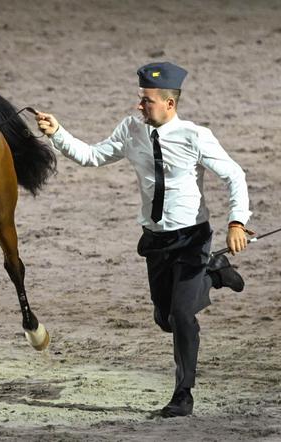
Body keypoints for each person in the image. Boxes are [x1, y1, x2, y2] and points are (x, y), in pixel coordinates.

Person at [35, 61, 253, 418]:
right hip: (155, 241)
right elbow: (92, 156)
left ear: (170, 103)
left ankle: (183, 393)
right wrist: (57, 132)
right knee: (165, 319)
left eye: (147, 100)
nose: (139, 105)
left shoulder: (196, 136)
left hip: (191, 239)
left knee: (183, 316)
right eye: (140, 99)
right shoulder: (131, 130)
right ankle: (215, 274)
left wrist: (237, 222)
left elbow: (235, 176)